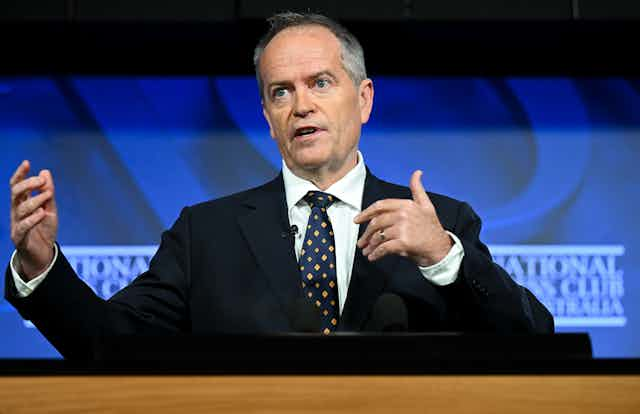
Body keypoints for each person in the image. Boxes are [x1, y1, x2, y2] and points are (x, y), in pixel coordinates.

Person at [5, 12, 553, 359]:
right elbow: (107, 345)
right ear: (268, 117)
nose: (302, 105)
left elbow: (535, 341)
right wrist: (40, 265)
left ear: (363, 99)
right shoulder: (206, 235)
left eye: (320, 83)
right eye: (281, 92)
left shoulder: (442, 224)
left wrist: (443, 258)